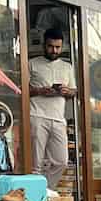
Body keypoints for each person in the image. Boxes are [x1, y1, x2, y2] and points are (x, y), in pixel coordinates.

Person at [29, 32, 74, 184]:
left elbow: (74, 91)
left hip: (58, 118)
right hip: (37, 115)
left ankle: (46, 189)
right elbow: (21, 89)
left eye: (57, 47)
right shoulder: (32, 63)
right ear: (44, 45)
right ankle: (36, 197)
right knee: (36, 163)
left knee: (61, 161)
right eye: (50, 46)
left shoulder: (67, 67)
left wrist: (68, 91)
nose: (54, 51)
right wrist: (40, 91)